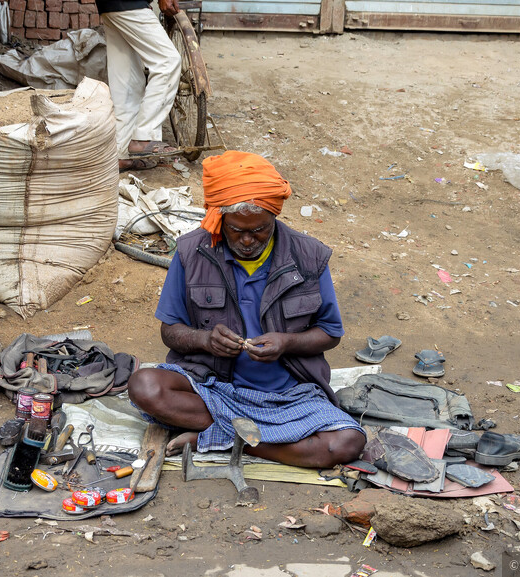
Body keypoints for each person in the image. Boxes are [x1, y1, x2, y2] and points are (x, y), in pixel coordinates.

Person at [128, 151, 366, 468]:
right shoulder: (192, 252)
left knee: (346, 443)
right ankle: (251, 437)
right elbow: (170, 331)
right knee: (143, 386)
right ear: (221, 219)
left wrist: (287, 342)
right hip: (213, 388)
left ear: (274, 219)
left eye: (260, 230)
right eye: (237, 230)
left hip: (288, 395)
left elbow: (330, 333)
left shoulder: (309, 256)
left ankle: (216, 438)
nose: (248, 241)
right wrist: (205, 340)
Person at [95, 0, 182, 172]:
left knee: (127, 81)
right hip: (131, 4)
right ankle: (144, 137)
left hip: (110, 6)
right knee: (167, 62)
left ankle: (121, 155)